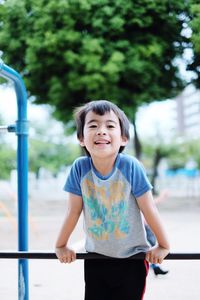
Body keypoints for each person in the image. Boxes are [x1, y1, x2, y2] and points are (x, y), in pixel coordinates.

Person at [55, 100, 170, 300]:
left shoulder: (130, 166)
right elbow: (72, 211)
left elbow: (149, 208)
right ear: (82, 138)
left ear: (123, 138)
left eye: (110, 125)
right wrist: (61, 245)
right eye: (93, 125)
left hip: (132, 259)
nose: (101, 131)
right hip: (95, 257)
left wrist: (163, 244)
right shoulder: (80, 168)